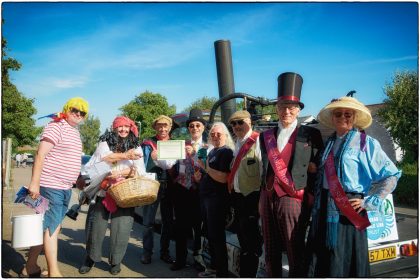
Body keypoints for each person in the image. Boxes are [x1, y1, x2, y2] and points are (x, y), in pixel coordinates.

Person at [305, 96, 401, 277]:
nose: (343, 117)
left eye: (348, 114)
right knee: (325, 257)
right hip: (325, 207)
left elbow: (391, 175)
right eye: (338, 113)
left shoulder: (366, 143)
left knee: (343, 258)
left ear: (354, 117)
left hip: (349, 207)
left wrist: (369, 201)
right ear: (332, 118)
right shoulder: (329, 144)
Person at [259, 72, 324, 277]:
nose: (286, 111)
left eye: (291, 107)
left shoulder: (311, 134)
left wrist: (311, 197)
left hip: (293, 197)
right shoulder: (265, 136)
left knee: (293, 247)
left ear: (298, 110)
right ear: (277, 109)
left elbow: (318, 169)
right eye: (282, 107)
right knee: (270, 248)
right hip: (268, 196)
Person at [21, 97, 89, 277]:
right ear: (66, 109)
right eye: (75, 110)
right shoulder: (56, 126)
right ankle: (54, 272)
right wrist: (34, 183)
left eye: (82, 112)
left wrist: (78, 177)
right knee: (53, 228)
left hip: (65, 187)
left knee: (47, 226)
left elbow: (72, 159)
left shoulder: (75, 131)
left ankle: (30, 267)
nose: (78, 114)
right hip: (51, 185)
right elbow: (40, 154)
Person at [78, 116, 146, 275]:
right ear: (114, 128)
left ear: (130, 128)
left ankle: (116, 261)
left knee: (122, 228)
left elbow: (139, 170)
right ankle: (90, 258)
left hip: (124, 193)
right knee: (95, 227)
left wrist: (124, 171)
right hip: (102, 191)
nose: (123, 130)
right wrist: (126, 157)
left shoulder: (137, 146)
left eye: (126, 127)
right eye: (120, 127)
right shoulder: (105, 143)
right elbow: (105, 158)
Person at [170, 109, 208, 271]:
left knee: (198, 228)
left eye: (197, 125)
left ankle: (198, 259)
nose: (194, 128)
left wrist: (195, 155)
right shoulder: (181, 144)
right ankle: (180, 259)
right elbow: (168, 163)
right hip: (181, 191)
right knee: (180, 227)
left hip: (199, 192)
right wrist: (158, 157)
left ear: (203, 127)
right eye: (191, 126)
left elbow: (209, 168)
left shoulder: (208, 146)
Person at [227, 110, 263, 277]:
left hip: (253, 197)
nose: (236, 126)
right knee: (242, 236)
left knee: (252, 241)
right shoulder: (238, 142)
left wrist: (261, 200)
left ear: (250, 121)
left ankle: (250, 273)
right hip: (239, 197)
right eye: (233, 124)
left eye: (240, 122)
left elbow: (264, 172)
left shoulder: (258, 140)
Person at [197, 122, 234, 278]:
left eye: (218, 134)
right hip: (207, 199)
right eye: (212, 134)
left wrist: (205, 168)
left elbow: (223, 177)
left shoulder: (226, 152)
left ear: (225, 135)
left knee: (217, 237)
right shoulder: (212, 152)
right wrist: (200, 176)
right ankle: (213, 268)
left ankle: (222, 273)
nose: (215, 136)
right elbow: (210, 175)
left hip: (216, 200)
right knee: (210, 235)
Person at [140, 115, 176, 265]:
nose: (162, 128)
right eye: (159, 126)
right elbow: (141, 164)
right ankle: (147, 252)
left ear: (169, 127)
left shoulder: (175, 144)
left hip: (170, 186)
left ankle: (164, 252)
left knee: (168, 222)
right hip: (151, 185)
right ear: (155, 127)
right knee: (148, 222)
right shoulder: (148, 144)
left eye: (165, 125)